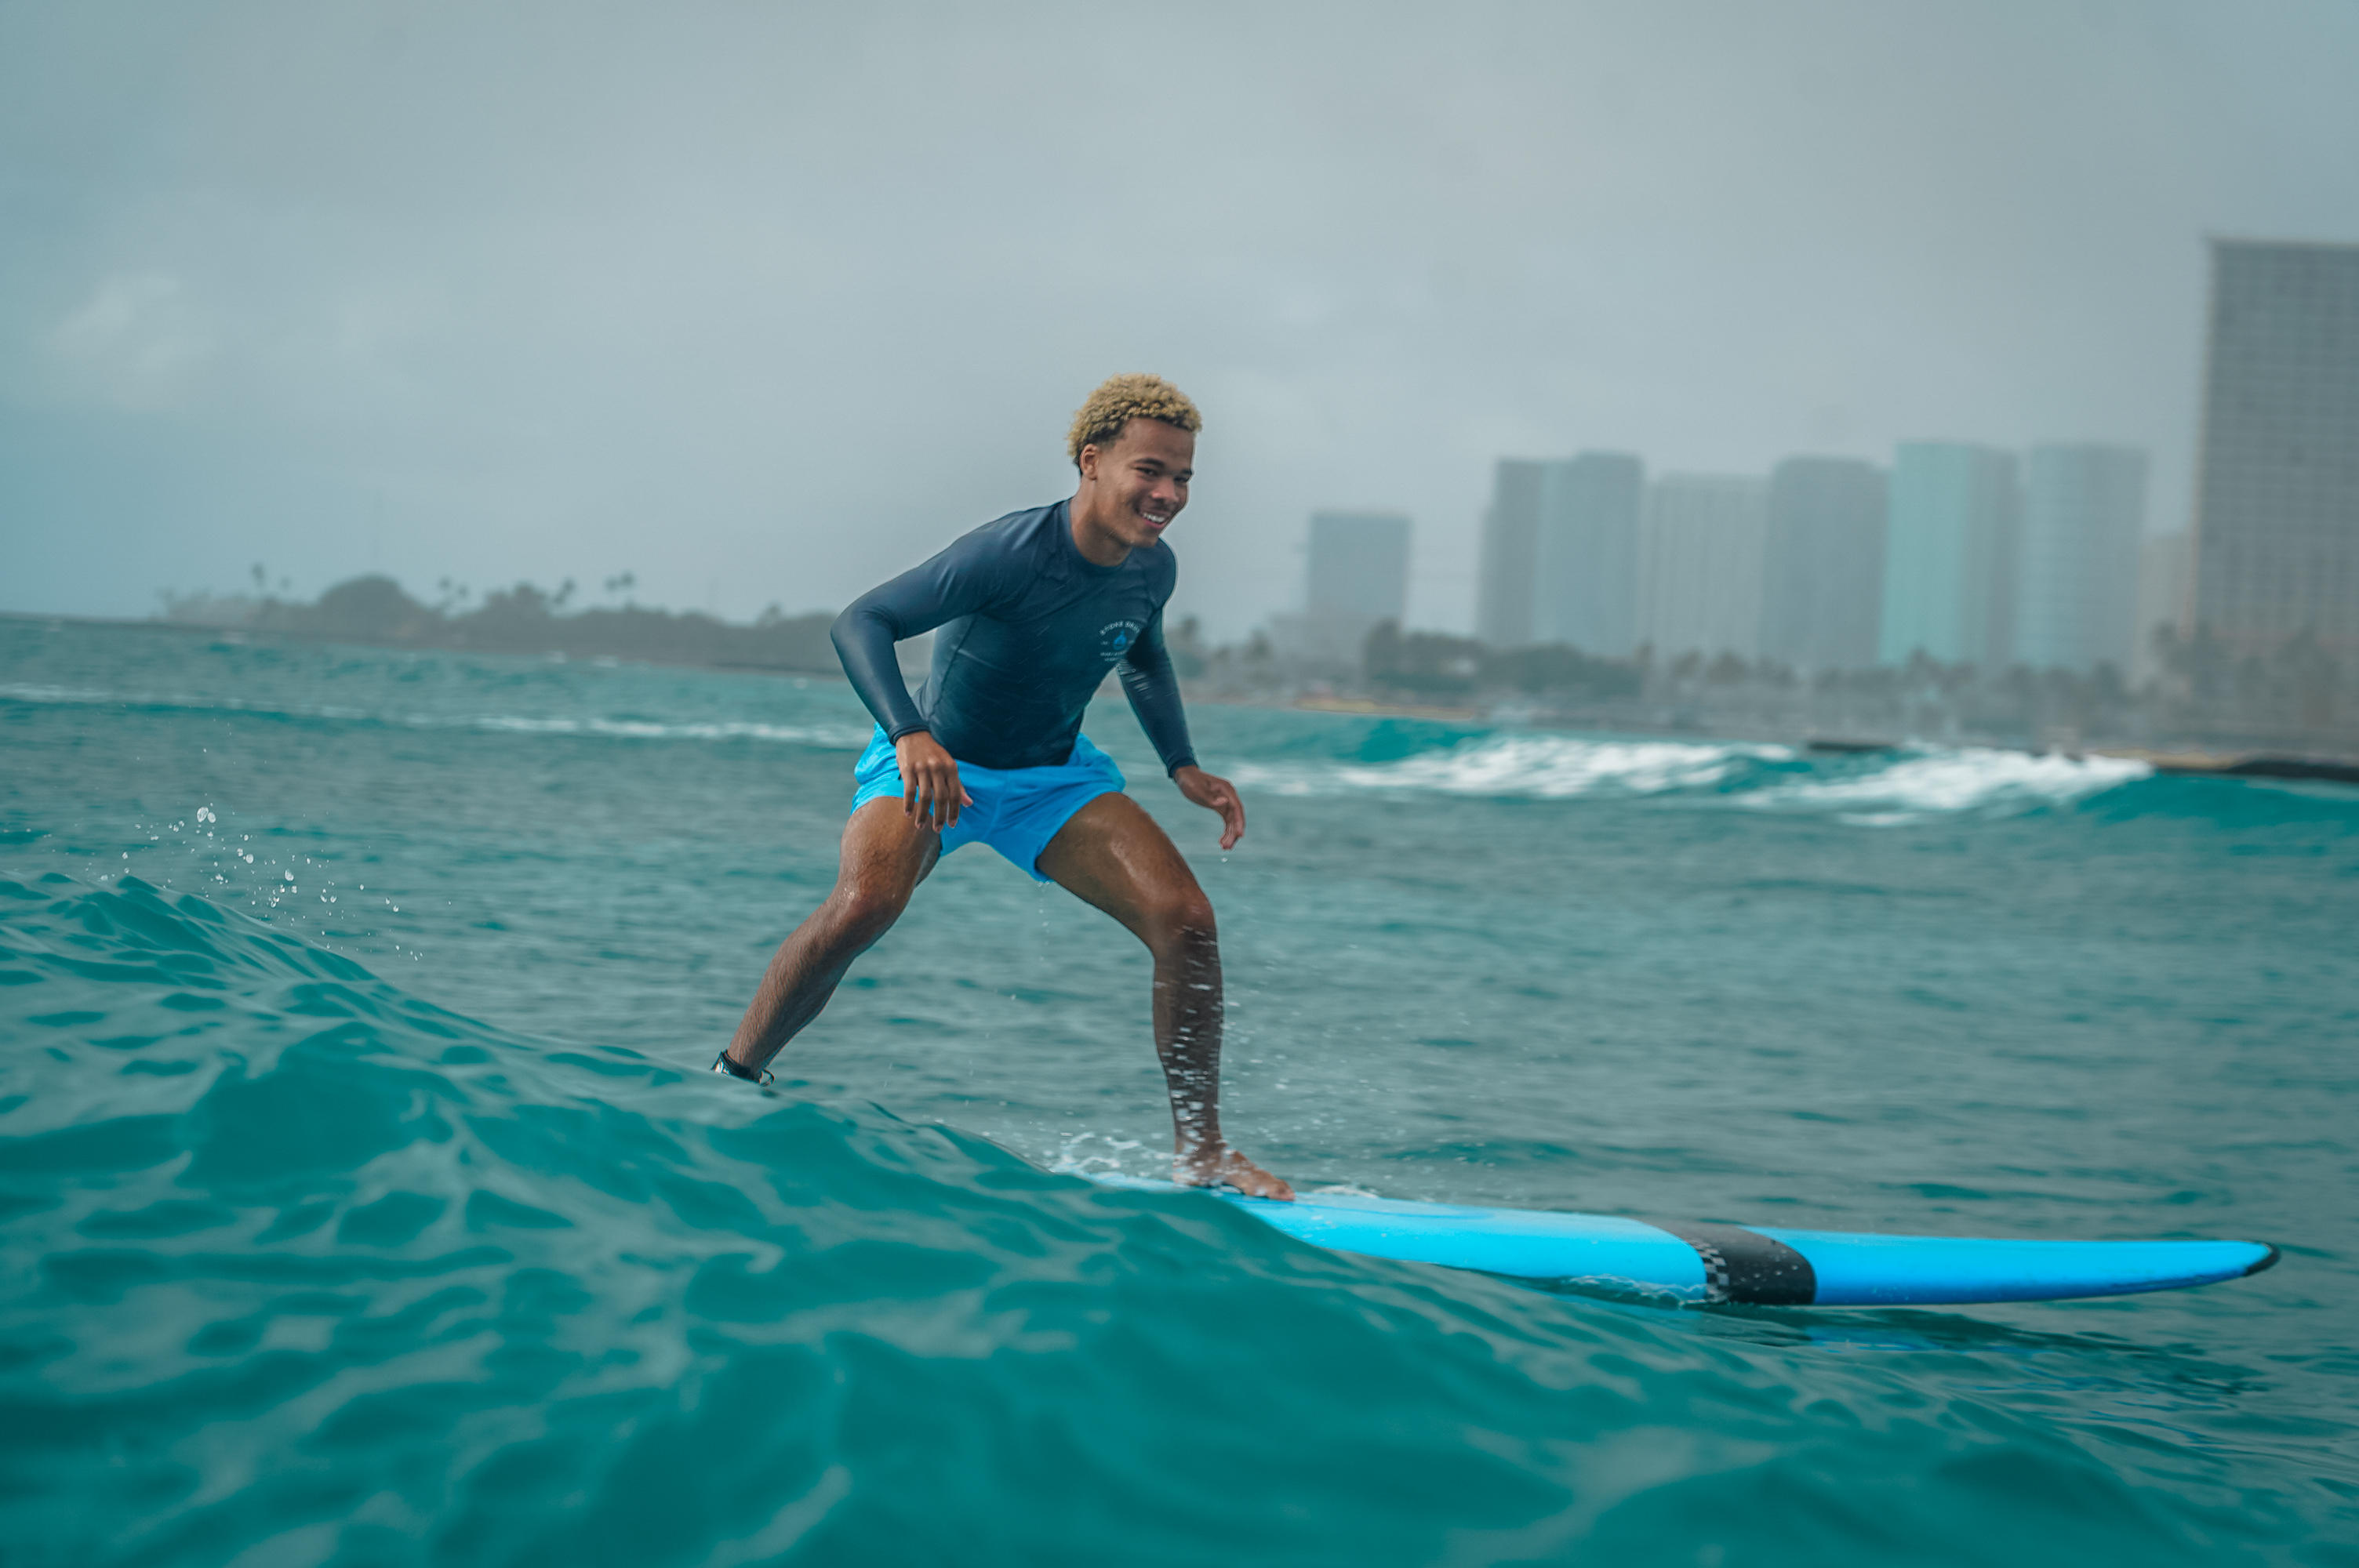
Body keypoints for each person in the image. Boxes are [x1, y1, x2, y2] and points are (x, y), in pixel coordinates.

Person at [715, 374, 1293, 1201]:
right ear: (1090, 462)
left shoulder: (1149, 569)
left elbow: (1142, 655)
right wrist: (910, 734)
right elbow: (861, 621)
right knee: (864, 905)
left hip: (1052, 779)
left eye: (1183, 477)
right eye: (1149, 470)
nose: (1167, 493)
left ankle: (1201, 1150)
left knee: (1187, 921)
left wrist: (1181, 765)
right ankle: (733, 1077)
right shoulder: (1005, 553)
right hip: (934, 765)